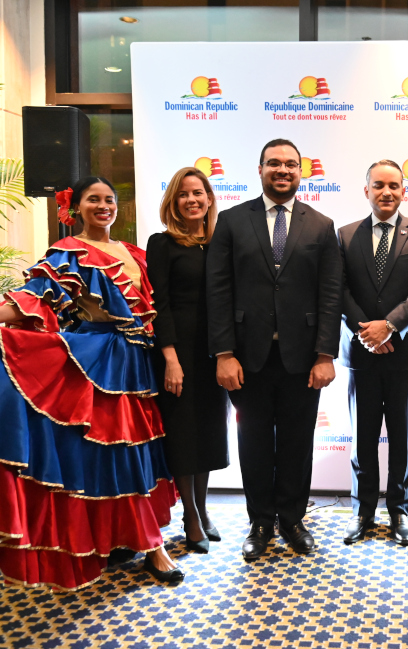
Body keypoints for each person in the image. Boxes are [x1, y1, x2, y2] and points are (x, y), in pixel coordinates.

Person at [0, 176, 182, 587]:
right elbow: (34, 298)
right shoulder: (68, 251)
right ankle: (154, 548)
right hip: (103, 364)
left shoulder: (133, 251)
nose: (103, 206)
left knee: (142, 453)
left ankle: (126, 536)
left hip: (141, 365)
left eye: (109, 199)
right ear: (75, 208)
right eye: (93, 199)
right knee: (117, 455)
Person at [206, 139, 342, 559]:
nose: (283, 170)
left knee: (298, 444)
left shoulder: (321, 225)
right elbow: (218, 290)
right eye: (274, 163)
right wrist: (224, 353)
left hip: (303, 359)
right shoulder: (231, 221)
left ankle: (293, 520)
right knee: (254, 443)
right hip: (248, 359)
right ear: (260, 169)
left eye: (291, 164)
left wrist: (325, 354)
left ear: (301, 172)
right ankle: (261, 521)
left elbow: (330, 294)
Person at [337, 159, 408, 547]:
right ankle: (362, 511)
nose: (386, 192)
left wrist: (390, 326)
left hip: (406, 355)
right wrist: (367, 331)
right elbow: (339, 290)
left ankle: (400, 511)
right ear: (366, 190)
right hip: (362, 353)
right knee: (363, 439)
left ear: (403, 191)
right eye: (378, 185)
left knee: (401, 439)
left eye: (394, 185)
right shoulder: (345, 235)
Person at [147, 167, 229, 554]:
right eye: (183, 194)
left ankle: (203, 508)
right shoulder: (161, 244)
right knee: (183, 434)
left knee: (208, 432)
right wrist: (170, 357)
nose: (191, 200)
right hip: (177, 352)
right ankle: (190, 517)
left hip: (214, 352)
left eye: (198, 193)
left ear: (210, 199)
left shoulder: (219, 243)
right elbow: (158, 304)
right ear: (173, 202)